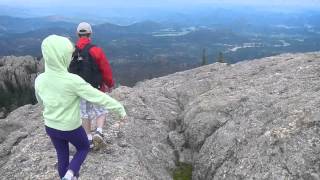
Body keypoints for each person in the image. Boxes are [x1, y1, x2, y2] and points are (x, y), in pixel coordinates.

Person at [34, 35, 126, 180]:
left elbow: (41, 102)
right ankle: (70, 175)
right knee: (83, 148)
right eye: (69, 55)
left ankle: (67, 176)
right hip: (70, 127)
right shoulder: (73, 81)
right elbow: (98, 96)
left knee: (62, 155)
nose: (71, 58)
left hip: (50, 126)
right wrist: (119, 108)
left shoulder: (40, 79)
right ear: (62, 56)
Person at [73, 22, 114, 150]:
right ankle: (99, 131)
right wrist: (110, 83)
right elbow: (105, 69)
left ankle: (89, 139)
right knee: (101, 111)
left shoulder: (72, 50)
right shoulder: (96, 50)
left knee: (84, 114)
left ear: (77, 34)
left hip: (80, 89)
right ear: (90, 34)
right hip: (96, 87)